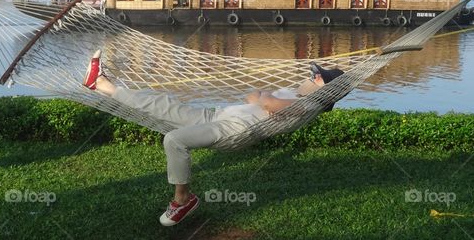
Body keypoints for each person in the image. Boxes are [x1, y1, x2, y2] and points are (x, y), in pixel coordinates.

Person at [82, 51, 344, 226]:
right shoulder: (297, 96)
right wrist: (264, 99)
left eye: (319, 77)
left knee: (174, 140)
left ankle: (183, 200)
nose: (313, 76)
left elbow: (269, 102)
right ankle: (102, 85)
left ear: (327, 90)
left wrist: (265, 99)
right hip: (217, 116)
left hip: (234, 130)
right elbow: (256, 97)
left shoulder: (311, 105)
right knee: (159, 104)